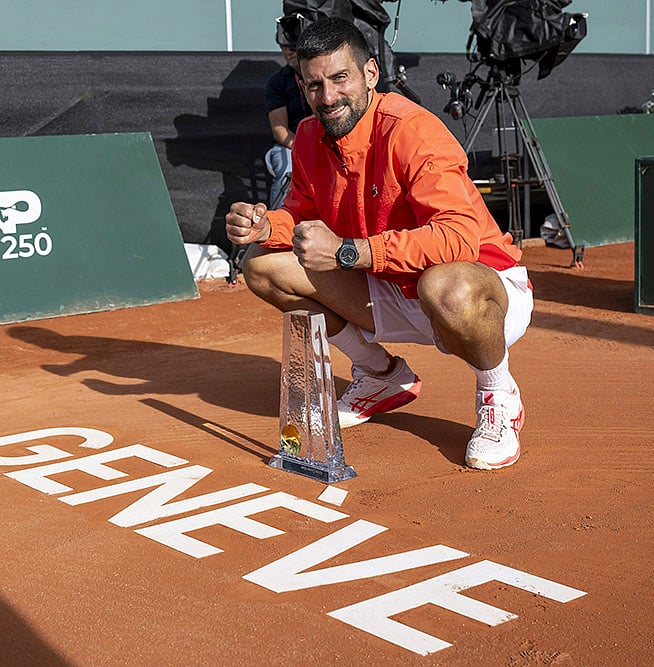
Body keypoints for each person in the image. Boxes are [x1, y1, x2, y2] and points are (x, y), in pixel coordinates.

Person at [225, 17, 533, 470]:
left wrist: (350, 251)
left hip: (481, 290)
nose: (327, 97)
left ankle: (497, 392)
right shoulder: (309, 137)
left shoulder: (414, 130)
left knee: (444, 285)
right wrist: (265, 226)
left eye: (339, 78)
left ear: (371, 74)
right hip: (389, 286)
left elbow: (459, 239)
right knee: (263, 266)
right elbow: (302, 213)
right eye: (314, 85)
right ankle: (382, 376)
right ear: (301, 85)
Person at [263, 14, 312, 209]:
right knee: (287, 170)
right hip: (290, 145)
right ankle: (276, 230)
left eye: (293, 47)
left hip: (325, 143)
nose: (288, 52)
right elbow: (279, 130)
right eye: (283, 48)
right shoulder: (278, 81)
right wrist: (304, 150)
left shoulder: (322, 74)